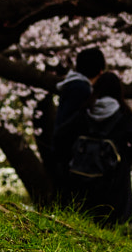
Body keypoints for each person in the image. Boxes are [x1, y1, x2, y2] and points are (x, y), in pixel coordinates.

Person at [63, 71, 132, 226]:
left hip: (83, 173)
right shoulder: (123, 114)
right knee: (113, 223)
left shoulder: (85, 111)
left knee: (84, 219)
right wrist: (123, 155)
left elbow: (66, 136)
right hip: (114, 176)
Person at [41, 47, 104, 204]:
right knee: (70, 198)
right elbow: (74, 122)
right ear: (100, 70)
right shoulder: (80, 89)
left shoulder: (73, 85)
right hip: (69, 152)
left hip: (63, 149)